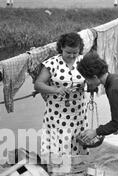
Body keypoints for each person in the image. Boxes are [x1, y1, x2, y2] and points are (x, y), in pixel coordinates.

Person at [34, 32, 89, 160]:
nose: (72, 55)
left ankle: (77, 170)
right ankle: (58, 171)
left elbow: (93, 80)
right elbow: (38, 84)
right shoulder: (52, 63)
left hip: (78, 113)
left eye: (75, 52)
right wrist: (56, 89)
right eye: (68, 52)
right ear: (61, 48)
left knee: (77, 143)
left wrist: (85, 86)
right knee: (59, 145)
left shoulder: (83, 61)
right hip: (57, 114)